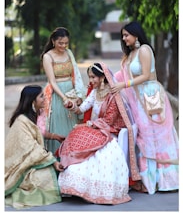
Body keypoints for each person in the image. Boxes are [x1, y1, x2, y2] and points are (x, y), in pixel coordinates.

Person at [57, 62, 141, 205]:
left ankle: (94, 188)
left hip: (110, 132)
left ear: (102, 77)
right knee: (76, 134)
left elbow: (109, 121)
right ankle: (75, 185)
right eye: (89, 77)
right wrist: (72, 105)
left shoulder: (113, 95)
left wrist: (87, 124)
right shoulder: (95, 92)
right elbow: (81, 109)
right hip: (96, 129)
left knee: (82, 134)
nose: (90, 81)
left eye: (93, 77)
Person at [111, 21, 179, 194]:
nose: (124, 38)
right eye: (122, 36)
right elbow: (123, 74)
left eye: (126, 35)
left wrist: (123, 84)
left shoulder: (144, 50)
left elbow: (147, 75)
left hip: (150, 96)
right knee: (142, 136)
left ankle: (164, 180)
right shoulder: (131, 53)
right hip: (136, 98)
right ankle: (149, 179)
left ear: (136, 34)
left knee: (156, 135)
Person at [5, 85, 64, 209]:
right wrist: (52, 162)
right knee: (45, 177)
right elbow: (31, 148)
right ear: (33, 101)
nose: (45, 98)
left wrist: (55, 136)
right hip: (22, 166)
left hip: (34, 160)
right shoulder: (21, 121)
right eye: (41, 96)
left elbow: (38, 139)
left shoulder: (35, 115)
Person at [40, 27, 86, 154]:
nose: (63, 46)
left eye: (66, 43)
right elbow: (52, 81)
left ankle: (74, 159)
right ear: (53, 41)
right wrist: (64, 98)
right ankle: (59, 158)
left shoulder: (69, 53)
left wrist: (78, 95)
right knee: (60, 125)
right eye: (60, 43)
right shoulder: (48, 57)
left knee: (73, 125)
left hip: (71, 92)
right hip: (57, 94)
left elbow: (75, 75)